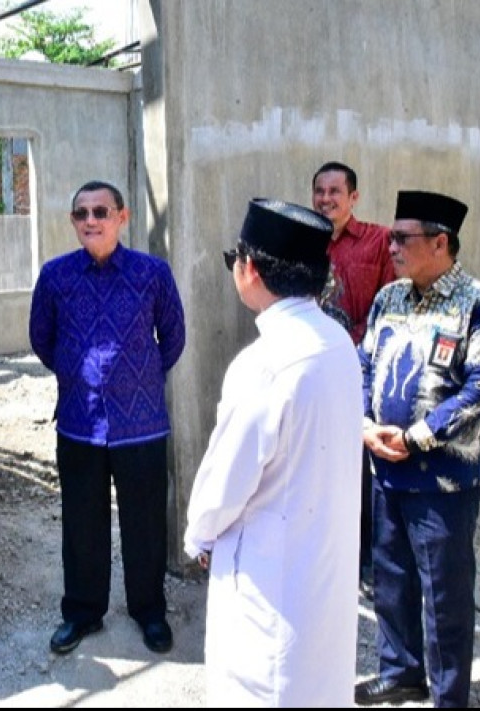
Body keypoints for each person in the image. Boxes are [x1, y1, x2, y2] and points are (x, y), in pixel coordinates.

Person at [184, 198, 364, 707]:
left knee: (264, 686)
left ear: (252, 269)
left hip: (268, 574)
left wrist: (198, 535)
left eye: (235, 260)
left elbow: (224, 483)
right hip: (323, 566)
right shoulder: (337, 342)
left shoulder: (264, 364)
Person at [356, 191, 480, 708]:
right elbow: (363, 366)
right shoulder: (389, 299)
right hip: (386, 472)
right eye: (392, 235)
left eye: (403, 238)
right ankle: (401, 671)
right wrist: (363, 424)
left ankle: (449, 697)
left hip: (444, 482)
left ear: (440, 242)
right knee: (391, 581)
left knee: (444, 596)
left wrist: (418, 436)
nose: (391, 245)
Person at [28, 179, 186, 655]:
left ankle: (149, 612)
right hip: (79, 423)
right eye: (82, 214)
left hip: (142, 425)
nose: (91, 221)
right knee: (81, 524)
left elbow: (173, 336)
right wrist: (78, 374)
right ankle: (82, 612)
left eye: (101, 212)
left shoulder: (152, 273)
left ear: (123, 216)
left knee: (144, 523)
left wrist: (137, 380)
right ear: (73, 222)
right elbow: (41, 337)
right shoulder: (56, 276)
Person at [311, 161, 397, 589]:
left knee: (361, 469)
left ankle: (364, 562)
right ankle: (325, 557)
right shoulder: (305, 241)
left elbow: (391, 306)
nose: (326, 200)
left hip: (364, 370)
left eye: (334, 192)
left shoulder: (380, 241)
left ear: (353, 197)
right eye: (319, 192)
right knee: (318, 464)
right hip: (313, 371)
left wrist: (351, 341)